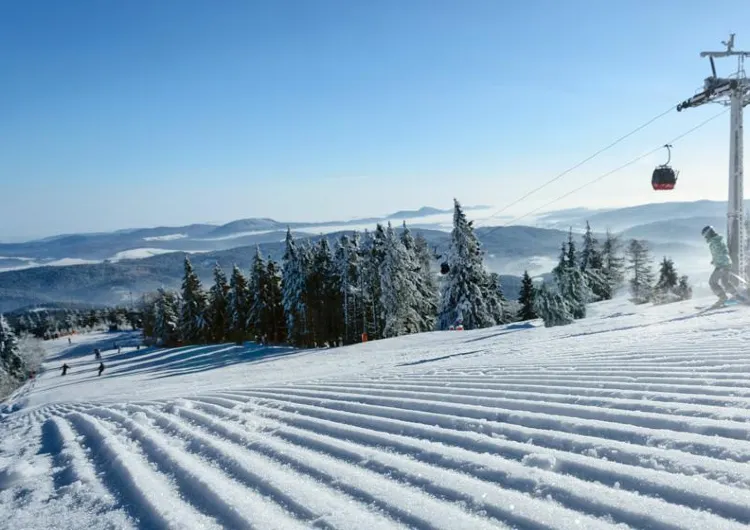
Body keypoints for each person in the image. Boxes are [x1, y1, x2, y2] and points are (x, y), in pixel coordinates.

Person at [702, 225, 741, 303]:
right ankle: (737, 295)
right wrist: (714, 260)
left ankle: (723, 298)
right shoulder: (717, 240)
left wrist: (721, 265)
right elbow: (721, 252)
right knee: (725, 282)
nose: (705, 238)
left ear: (709, 234)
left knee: (712, 282)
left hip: (722, 265)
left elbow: (721, 253)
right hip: (726, 263)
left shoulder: (715, 242)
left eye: (706, 236)